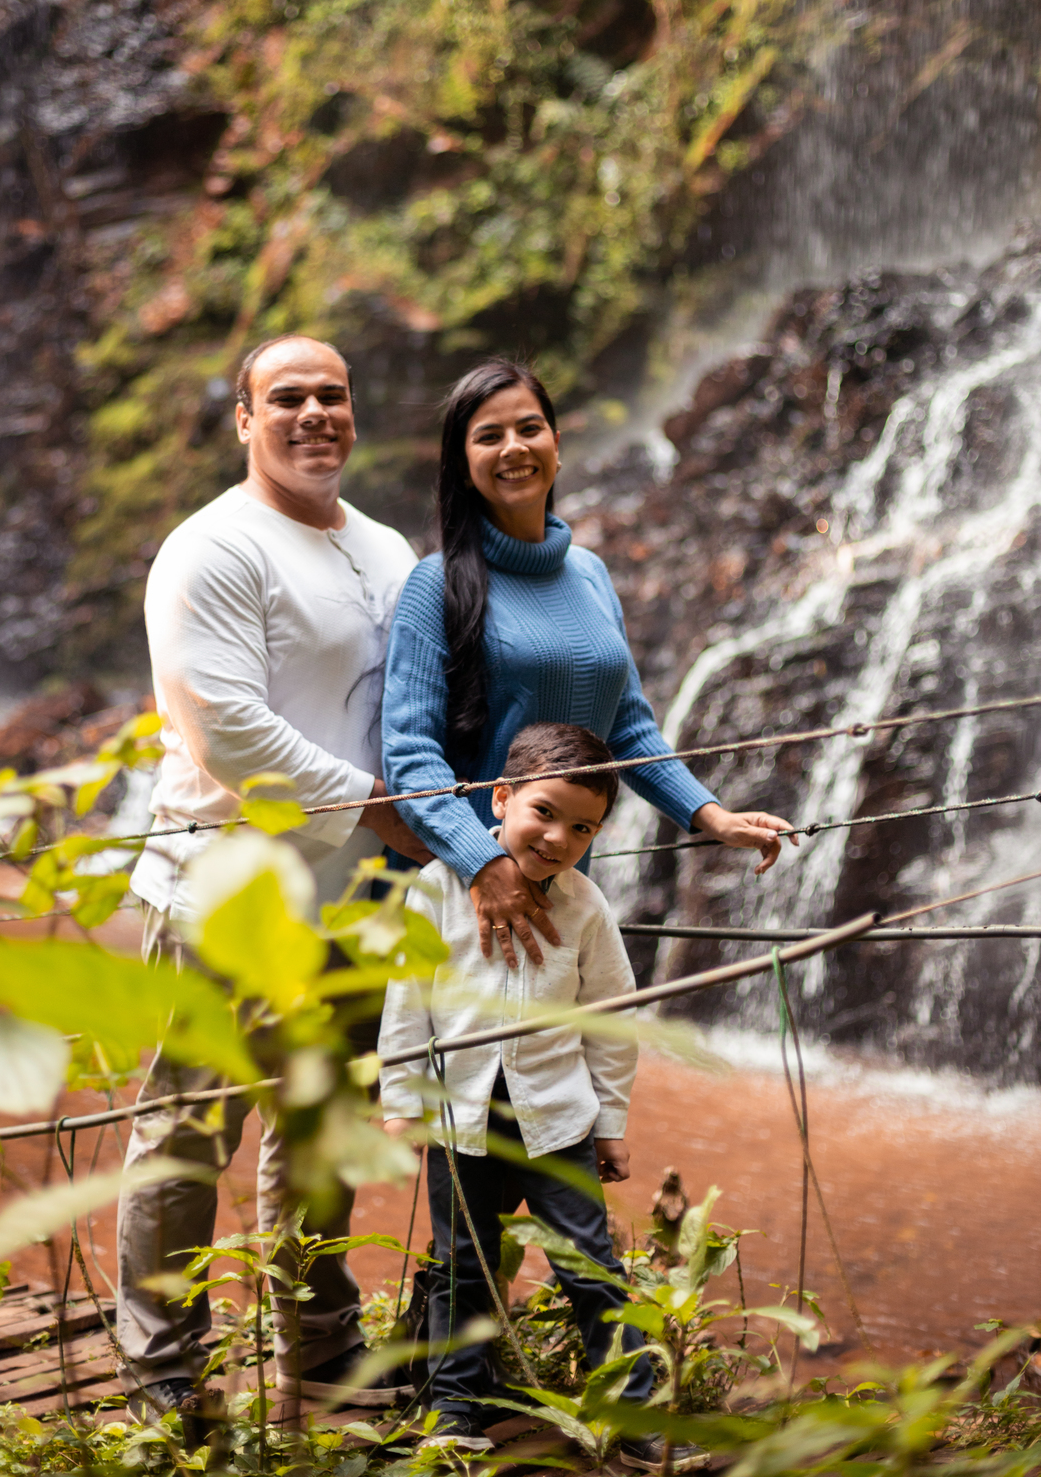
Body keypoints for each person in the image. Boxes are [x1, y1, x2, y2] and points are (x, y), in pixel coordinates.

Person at [116, 333, 430, 1423]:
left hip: (359, 891)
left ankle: (322, 1349)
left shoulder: (387, 547)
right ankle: (163, 1374)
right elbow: (226, 732)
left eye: (332, 395)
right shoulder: (211, 548)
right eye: (286, 397)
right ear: (245, 419)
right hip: (227, 885)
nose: (314, 415)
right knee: (188, 1129)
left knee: (324, 1125)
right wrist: (379, 804)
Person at [381, 358, 796, 965]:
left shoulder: (591, 574)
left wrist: (713, 818)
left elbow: (627, 727)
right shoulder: (435, 584)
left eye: (529, 428)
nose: (513, 447)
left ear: (555, 444)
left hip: (561, 879)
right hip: (463, 887)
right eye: (489, 436)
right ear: (463, 465)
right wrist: (484, 863)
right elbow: (409, 755)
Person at [378, 722, 657, 1455]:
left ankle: (631, 1415)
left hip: (558, 1119)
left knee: (591, 1267)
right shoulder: (436, 890)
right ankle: (455, 1412)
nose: (558, 838)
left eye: (582, 828)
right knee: (462, 1267)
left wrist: (611, 1122)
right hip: (460, 1120)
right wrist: (402, 1104)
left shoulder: (586, 907)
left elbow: (611, 1019)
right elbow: (407, 1005)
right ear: (500, 798)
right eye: (544, 812)